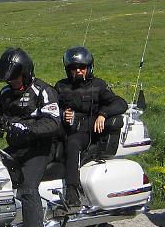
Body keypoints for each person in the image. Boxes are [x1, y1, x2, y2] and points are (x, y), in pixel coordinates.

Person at [0, 47, 61, 227]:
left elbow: (53, 122)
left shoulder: (43, 91)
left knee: (28, 188)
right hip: (16, 149)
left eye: (15, 77)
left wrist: (28, 129)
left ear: (27, 72)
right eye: (8, 78)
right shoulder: (5, 93)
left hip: (40, 149)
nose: (11, 82)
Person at [55, 46, 128, 209]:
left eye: (82, 67)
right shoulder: (61, 86)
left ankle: (73, 192)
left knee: (73, 144)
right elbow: (51, 107)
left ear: (89, 67)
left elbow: (120, 103)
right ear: (68, 70)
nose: (79, 71)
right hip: (65, 129)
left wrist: (103, 113)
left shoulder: (98, 85)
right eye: (74, 68)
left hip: (86, 133)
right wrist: (62, 113)